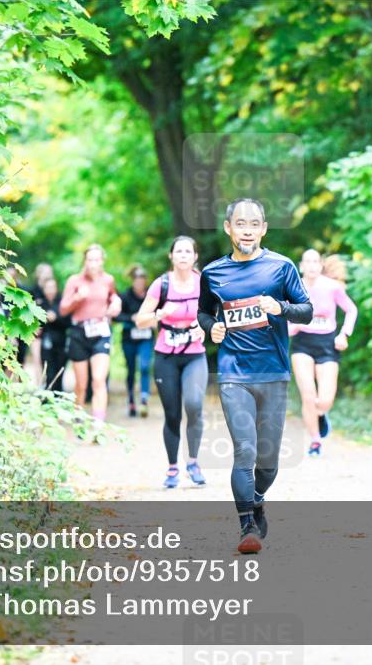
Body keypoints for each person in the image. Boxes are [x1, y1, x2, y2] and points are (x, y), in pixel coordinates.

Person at [197, 199, 313, 554]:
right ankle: (247, 525)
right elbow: (204, 313)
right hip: (233, 372)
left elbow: (307, 311)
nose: (247, 230)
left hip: (273, 372)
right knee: (244, 450)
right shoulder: (213, 273)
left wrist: (281, 307)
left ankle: (257, 496)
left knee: (268, 461)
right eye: (240, 223)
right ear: (228, 228)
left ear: (263, 229)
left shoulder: (281, 267)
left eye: (254, 224)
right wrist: (212, 328)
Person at [135, 237, 209, 489]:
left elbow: (217, 312)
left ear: (195, 256)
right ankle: (172, 467)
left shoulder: (204, 282)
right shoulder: (161, 284)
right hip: (166, 356)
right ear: (171, 256)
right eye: (179, 251)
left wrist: (204, 326)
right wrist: (159, 314)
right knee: (173, 413)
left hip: (194, 355)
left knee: (194, 404)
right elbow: (140, 320)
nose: (183, 255)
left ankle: (193, 462)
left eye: (188, 251)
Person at [289, 250, 358, 457]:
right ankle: (315, 441)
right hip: (302, 344)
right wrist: (290, 327)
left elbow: (351, 310)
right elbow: (283, 313)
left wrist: (344, 334)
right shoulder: (292, 287)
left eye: (315, 262)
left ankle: (320, 414)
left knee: (325, 399)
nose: (311, 266)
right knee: (308, 395)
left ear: (320, 265)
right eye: (307, 262)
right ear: (301, 266)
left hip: (328, 344)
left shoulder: (332, 287)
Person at [59, 244, 121, 422]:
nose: (93, 263)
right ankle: (79, 420)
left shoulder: (108, 280)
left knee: (99, 380)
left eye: (96, 259)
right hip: (79, 333)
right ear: (85, 261)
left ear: (102, 261)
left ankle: (98, 424)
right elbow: (63, 309)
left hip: (101, 332)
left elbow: (113, 297)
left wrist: (116, 303)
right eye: (90, 259)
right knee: (81, 385)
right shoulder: (74, 281)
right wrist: (77, 299)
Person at [115, 266, 155, 417]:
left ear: (145, 281)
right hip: (129, 338)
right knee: (131, 369)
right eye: (137, 281)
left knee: (144, 366)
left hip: (146, 337)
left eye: (142, 281)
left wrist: (153, 319)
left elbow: (159, 312)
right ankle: (131, 400)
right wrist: (131, 317)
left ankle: (144, 400)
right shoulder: (125, 296)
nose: (139, 284)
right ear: (133, 282)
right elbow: (116, 316)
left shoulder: (151, 295)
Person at [35, 276, 70, 391]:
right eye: (47, 288)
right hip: (46, 343)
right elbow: (35, 324)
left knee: (59, 372)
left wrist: (56, 318)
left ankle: (58, 395)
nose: (50, 290)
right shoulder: (40, 304)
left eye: (52, 287)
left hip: (61, 343)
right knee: (48, 371)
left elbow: (69, 322)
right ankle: (48, 395)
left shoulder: (63, 303)